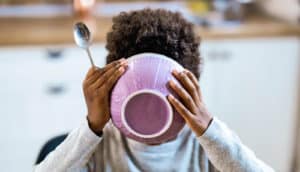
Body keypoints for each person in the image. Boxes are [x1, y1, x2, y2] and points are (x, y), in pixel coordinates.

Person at [35, 9, 274, 172]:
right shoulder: (97, 145)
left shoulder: (208, 146)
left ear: (191, 87)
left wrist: (210, 132)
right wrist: (91, 128)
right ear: (113, 85)